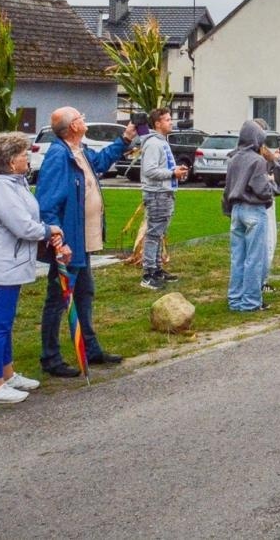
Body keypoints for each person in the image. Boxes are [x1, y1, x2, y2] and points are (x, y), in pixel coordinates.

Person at [35, 107, 135, 377]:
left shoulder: (80, 151)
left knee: (84, 293)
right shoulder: (59, 156)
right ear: (72, 127)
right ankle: (50, 357)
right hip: (69, 243)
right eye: (80, 117)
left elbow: (101, 162)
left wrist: (124, 139)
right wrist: (57, 239)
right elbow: (47, 203)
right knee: (58, 299)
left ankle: (90, 348)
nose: (84, 119)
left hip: (85, 240)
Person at [0, 131, 67, 405]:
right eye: (24, 155)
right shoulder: (2, 187)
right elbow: (22, 225)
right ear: (12, 161)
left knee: (4, 322)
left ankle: (7, 373)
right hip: (1, 263)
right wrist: (49, 230)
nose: (28, 159)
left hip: (10, 262)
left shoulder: (14, 183)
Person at [223, 119, 280, 312]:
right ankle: (251, 302)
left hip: (236, 210)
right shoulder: (257, 161)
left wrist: (228, 209)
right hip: (254, 210)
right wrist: (273, 187)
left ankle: (235, 300)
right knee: (254, 258)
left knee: (238, 257)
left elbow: (227, 188)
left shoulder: (234, 159)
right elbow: (261, 189)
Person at [138, 106, 189, 290]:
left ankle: (157, 268)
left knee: (160, 232)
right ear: (157, 123)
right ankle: (148, 272)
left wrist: (176, 173)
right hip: (157, 194)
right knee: (154, 233)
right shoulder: (153, 144)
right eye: (167, 119)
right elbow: (150, 170)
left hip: (165, 193)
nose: (171, 122)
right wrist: (171, 173)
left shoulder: (162, 142)